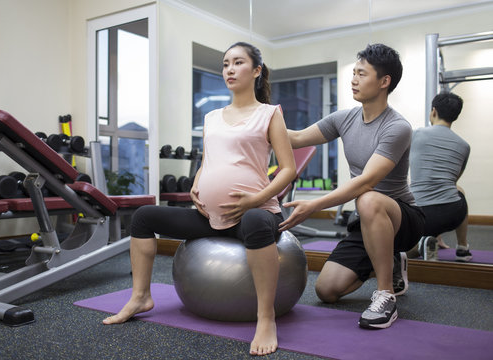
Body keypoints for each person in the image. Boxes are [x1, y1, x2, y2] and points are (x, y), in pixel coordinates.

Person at [103, 41, 296, 356]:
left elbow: (287, 170)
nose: (229, 70)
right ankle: (140, 296)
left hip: (256, 213)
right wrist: (197, 183)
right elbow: (210, 160)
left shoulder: (269, 114)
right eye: (225, 64)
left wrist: (254, 199)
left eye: (238, 63)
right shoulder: (212, 117)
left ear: (257, 71)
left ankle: (265, 317)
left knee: (257, 221)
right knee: (143, 217)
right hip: (210, 217)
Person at [279, 43, 424, 329]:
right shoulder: (344, 118)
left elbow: (367, 181)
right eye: (354, 73)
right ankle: (391, 262)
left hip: (403, 216)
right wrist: (256, 123)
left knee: (368, 197)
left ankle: (385, 295)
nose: (353, 79)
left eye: (362, 74)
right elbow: (294, 138)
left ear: (384, 82)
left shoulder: (397, 127)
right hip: (369, 219)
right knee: (327, 290)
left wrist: (314, 205)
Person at [409, 92, 471, 262]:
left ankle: (421, 243)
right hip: (452, 214)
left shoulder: (416, 134)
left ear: (433, 111)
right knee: (459, 191)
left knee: (396, 249)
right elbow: (453, 181)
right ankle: (463, 248)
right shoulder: (465, 146)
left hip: (419, 215)